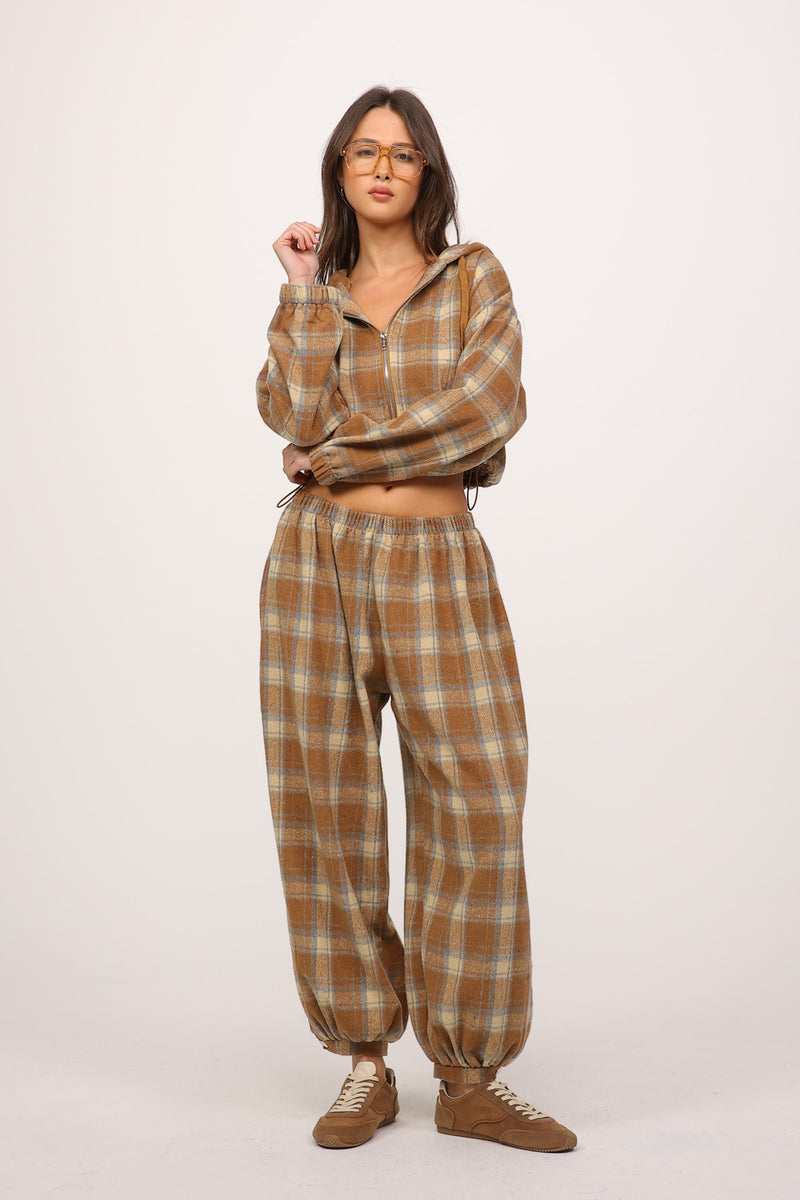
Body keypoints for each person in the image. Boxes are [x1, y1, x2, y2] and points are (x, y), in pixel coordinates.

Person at [256, 85, 577, 1154]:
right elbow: (288, 410)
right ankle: (364, 1064)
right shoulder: (320, 295)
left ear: (427, 171)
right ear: (340, 172)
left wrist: (331, 457)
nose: (382, 168)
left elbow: (483, 414)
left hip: (439, 564)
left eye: (401, 153)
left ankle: (471, 1076)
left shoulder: (472, 276)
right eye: (363, 152)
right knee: (328, 804)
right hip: (317, 566)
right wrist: (302, 293)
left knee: (478, 794)